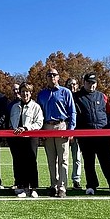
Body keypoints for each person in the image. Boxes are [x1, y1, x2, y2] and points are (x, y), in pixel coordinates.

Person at [73, 73, 110, 196]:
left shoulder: (102, 96)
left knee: (107, 162)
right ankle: (91, 186)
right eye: (89, 82)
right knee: (88, 162)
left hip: (102, 134)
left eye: (94, 82)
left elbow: (108, 114)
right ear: (84, 82)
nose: (92, 85)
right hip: (85, 135)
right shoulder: (76, 96)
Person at [36, 68, 76, 198]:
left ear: (58, 77)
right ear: (46, 78)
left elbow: (72, 112)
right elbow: (39, 113)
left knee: (63, 159)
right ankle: (53, 185)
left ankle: (62, 187)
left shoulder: (66, 92)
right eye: (49, 75)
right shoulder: (41, 94)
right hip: (47, 127)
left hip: (62, 126)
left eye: (54, 75)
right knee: (51, 159)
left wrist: (71, 130)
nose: (52, 77)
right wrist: (40, 132)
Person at [9, 82, 44, 198]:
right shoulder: (15, 107)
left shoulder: (36, 107)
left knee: (31, 163)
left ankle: (33, 188)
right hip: (16, 139)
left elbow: (39, 123)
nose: (25, 94)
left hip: (31, 138)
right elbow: (11, 122)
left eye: (27, 91)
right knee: (19, 163)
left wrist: (26, 128)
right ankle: (22, 187)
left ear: (31, 93)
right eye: (23, 91)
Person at [65, 77, 83, 189]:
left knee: (77, 158)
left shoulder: (80, 98)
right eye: (70, 84)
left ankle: (76, 180)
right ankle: (62, 181)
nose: (72, 86)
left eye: (74, 84)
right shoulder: (64, 96)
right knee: (62, 158)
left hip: (77, 132)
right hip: (64, 131)